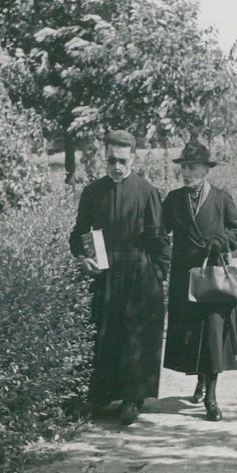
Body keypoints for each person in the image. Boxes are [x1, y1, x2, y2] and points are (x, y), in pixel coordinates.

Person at [68, 130, 171, 425]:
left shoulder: (147, 191)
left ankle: (131, 398)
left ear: (133, 159)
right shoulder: (92, 192)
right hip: (105, 271)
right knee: (105, 330)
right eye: (112, 159)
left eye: (122, 160)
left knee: (135, 333)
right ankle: (102, 396)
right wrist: (82, 259)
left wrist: (159, 273)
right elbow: (78, 234)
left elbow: (160, 237)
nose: (117, 166)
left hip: (140, 270)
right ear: (105, 157)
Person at [162, 140, 237, 421]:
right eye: (184, 167)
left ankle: (211, 397)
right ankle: (199, 378)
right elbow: (160, 233)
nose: (186, 173)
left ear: (206, 170)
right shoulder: (173, 200)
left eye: (193, 167)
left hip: (213, 279)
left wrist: (222, 240)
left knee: (212, 336)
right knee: (190, 336)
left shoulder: (221, 199)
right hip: (184, 277)